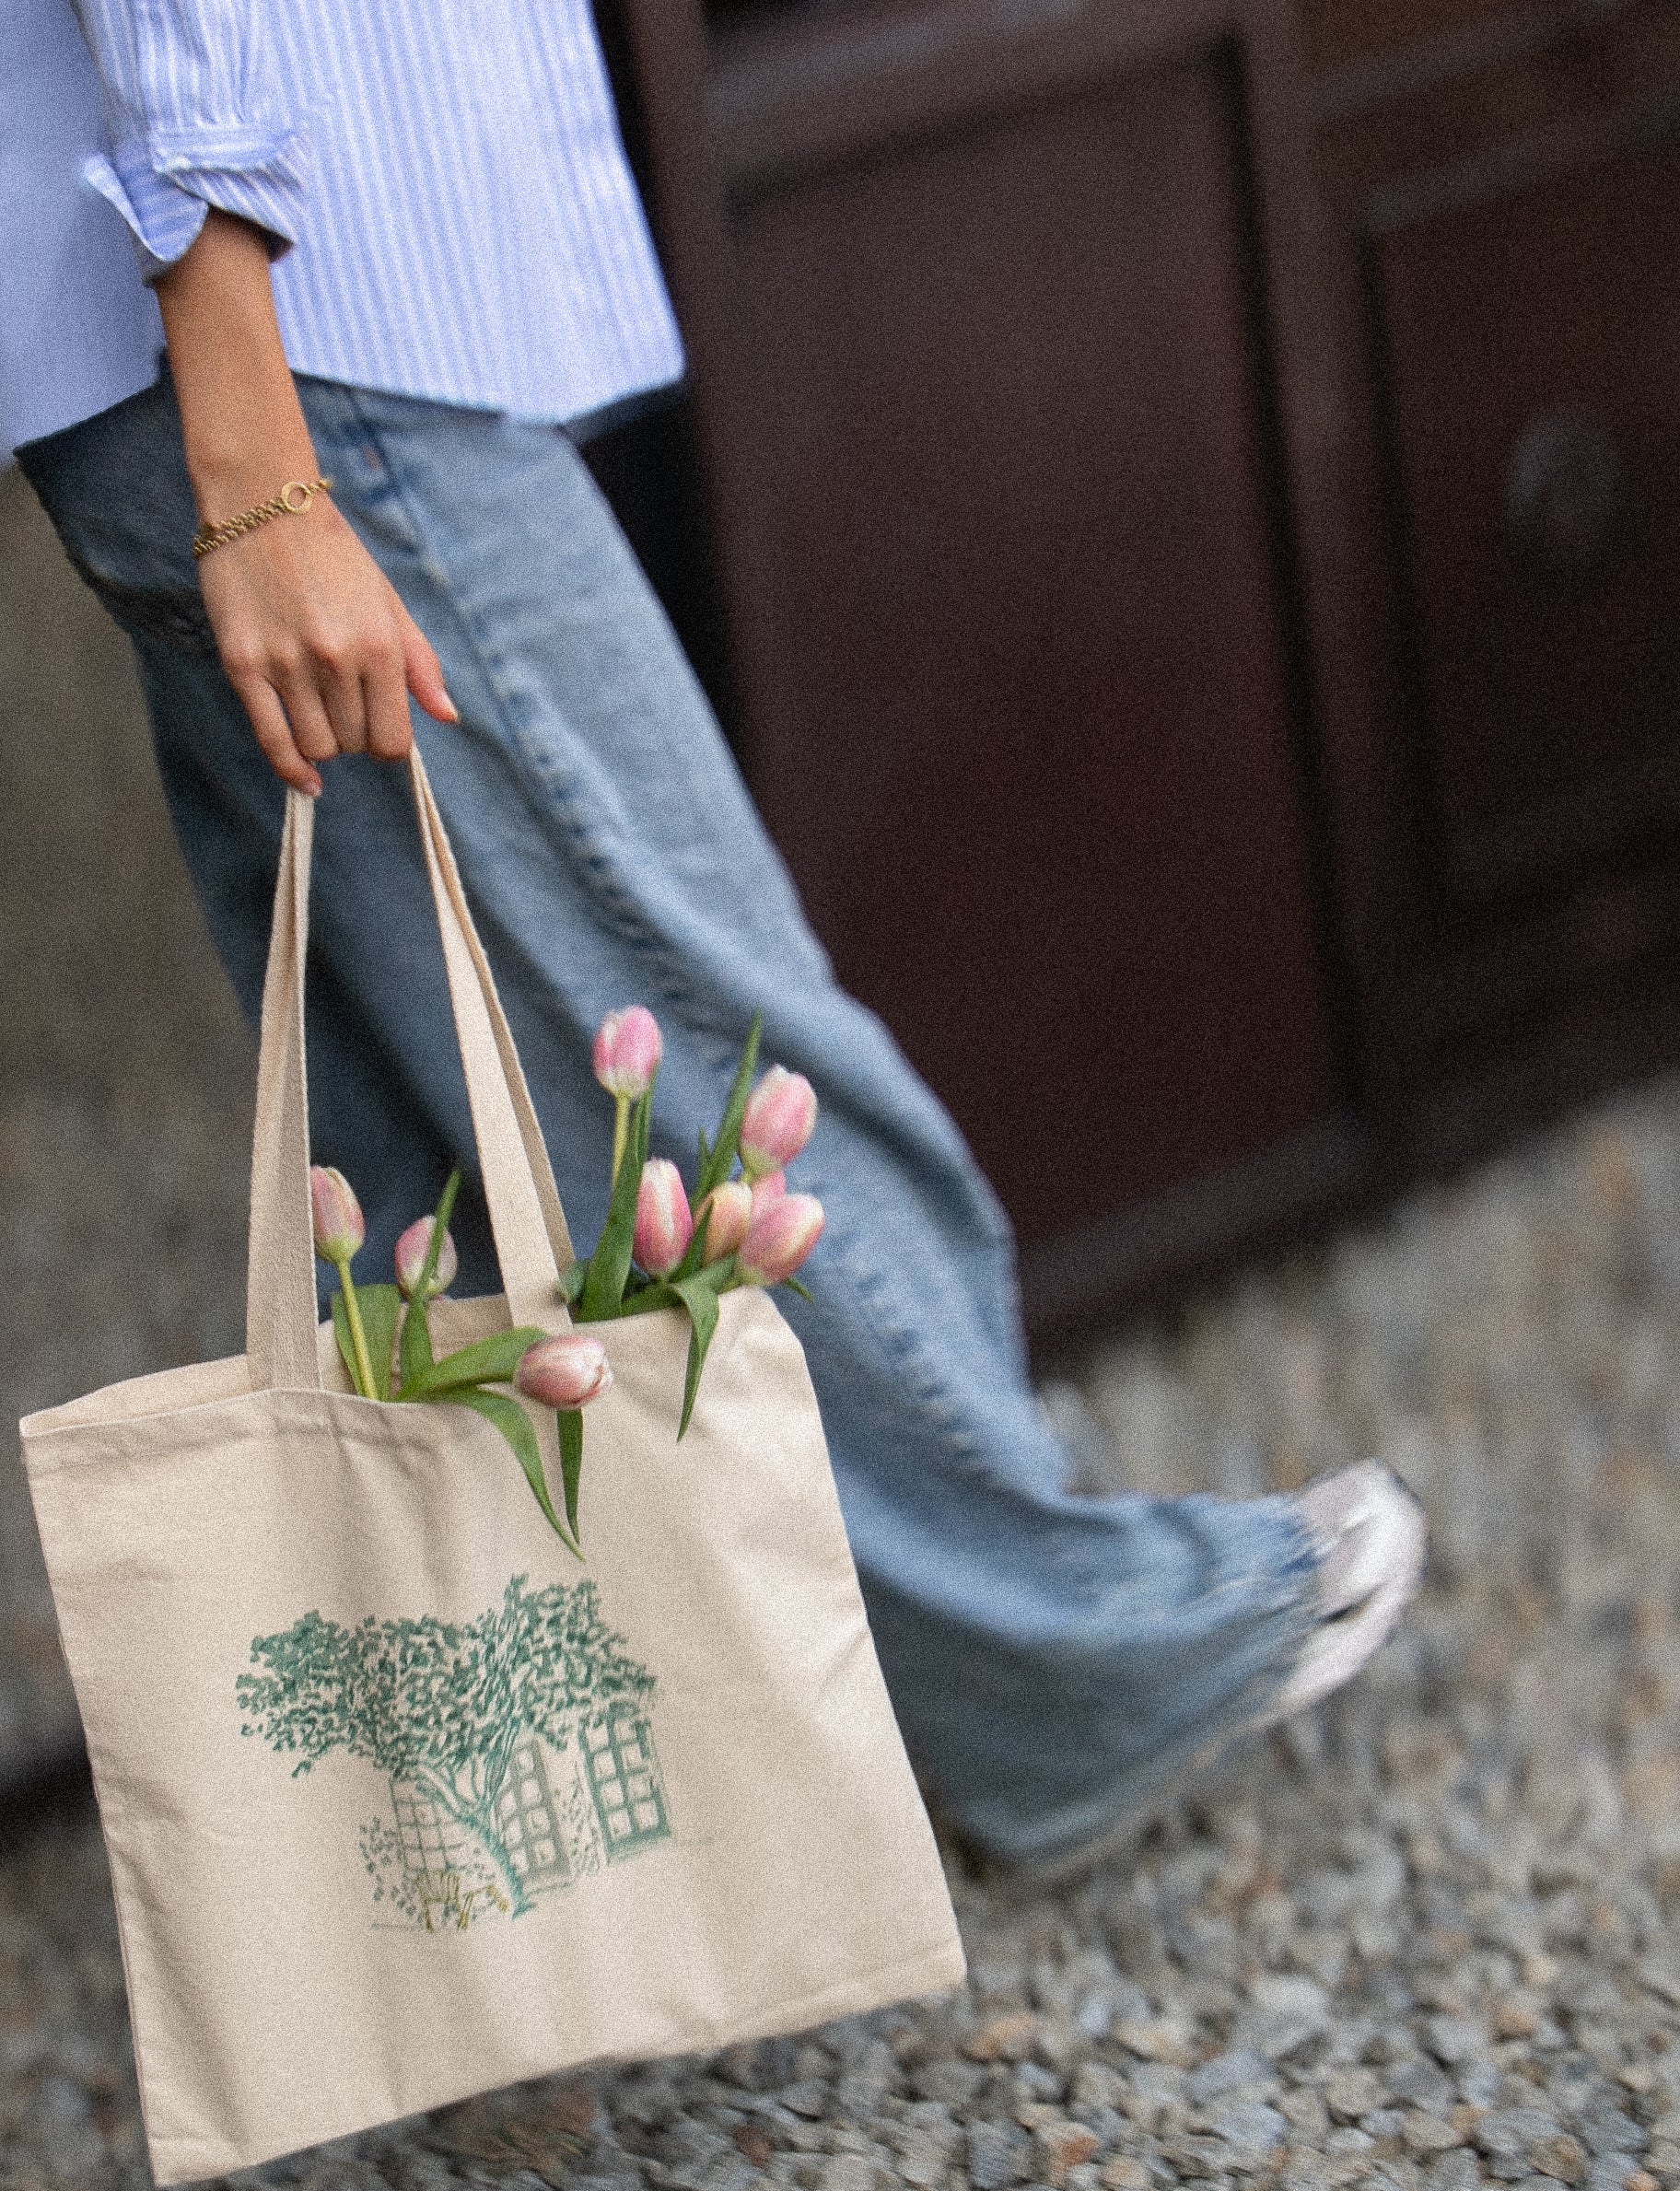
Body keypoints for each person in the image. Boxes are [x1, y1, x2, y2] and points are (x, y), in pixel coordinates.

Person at [3, 0, 1424, 1877]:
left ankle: (550, 1862)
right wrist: (257, 455)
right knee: (700, 1044)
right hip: (296, 361)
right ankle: (1073, 1667)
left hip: (217, 351)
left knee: (434, 1152)